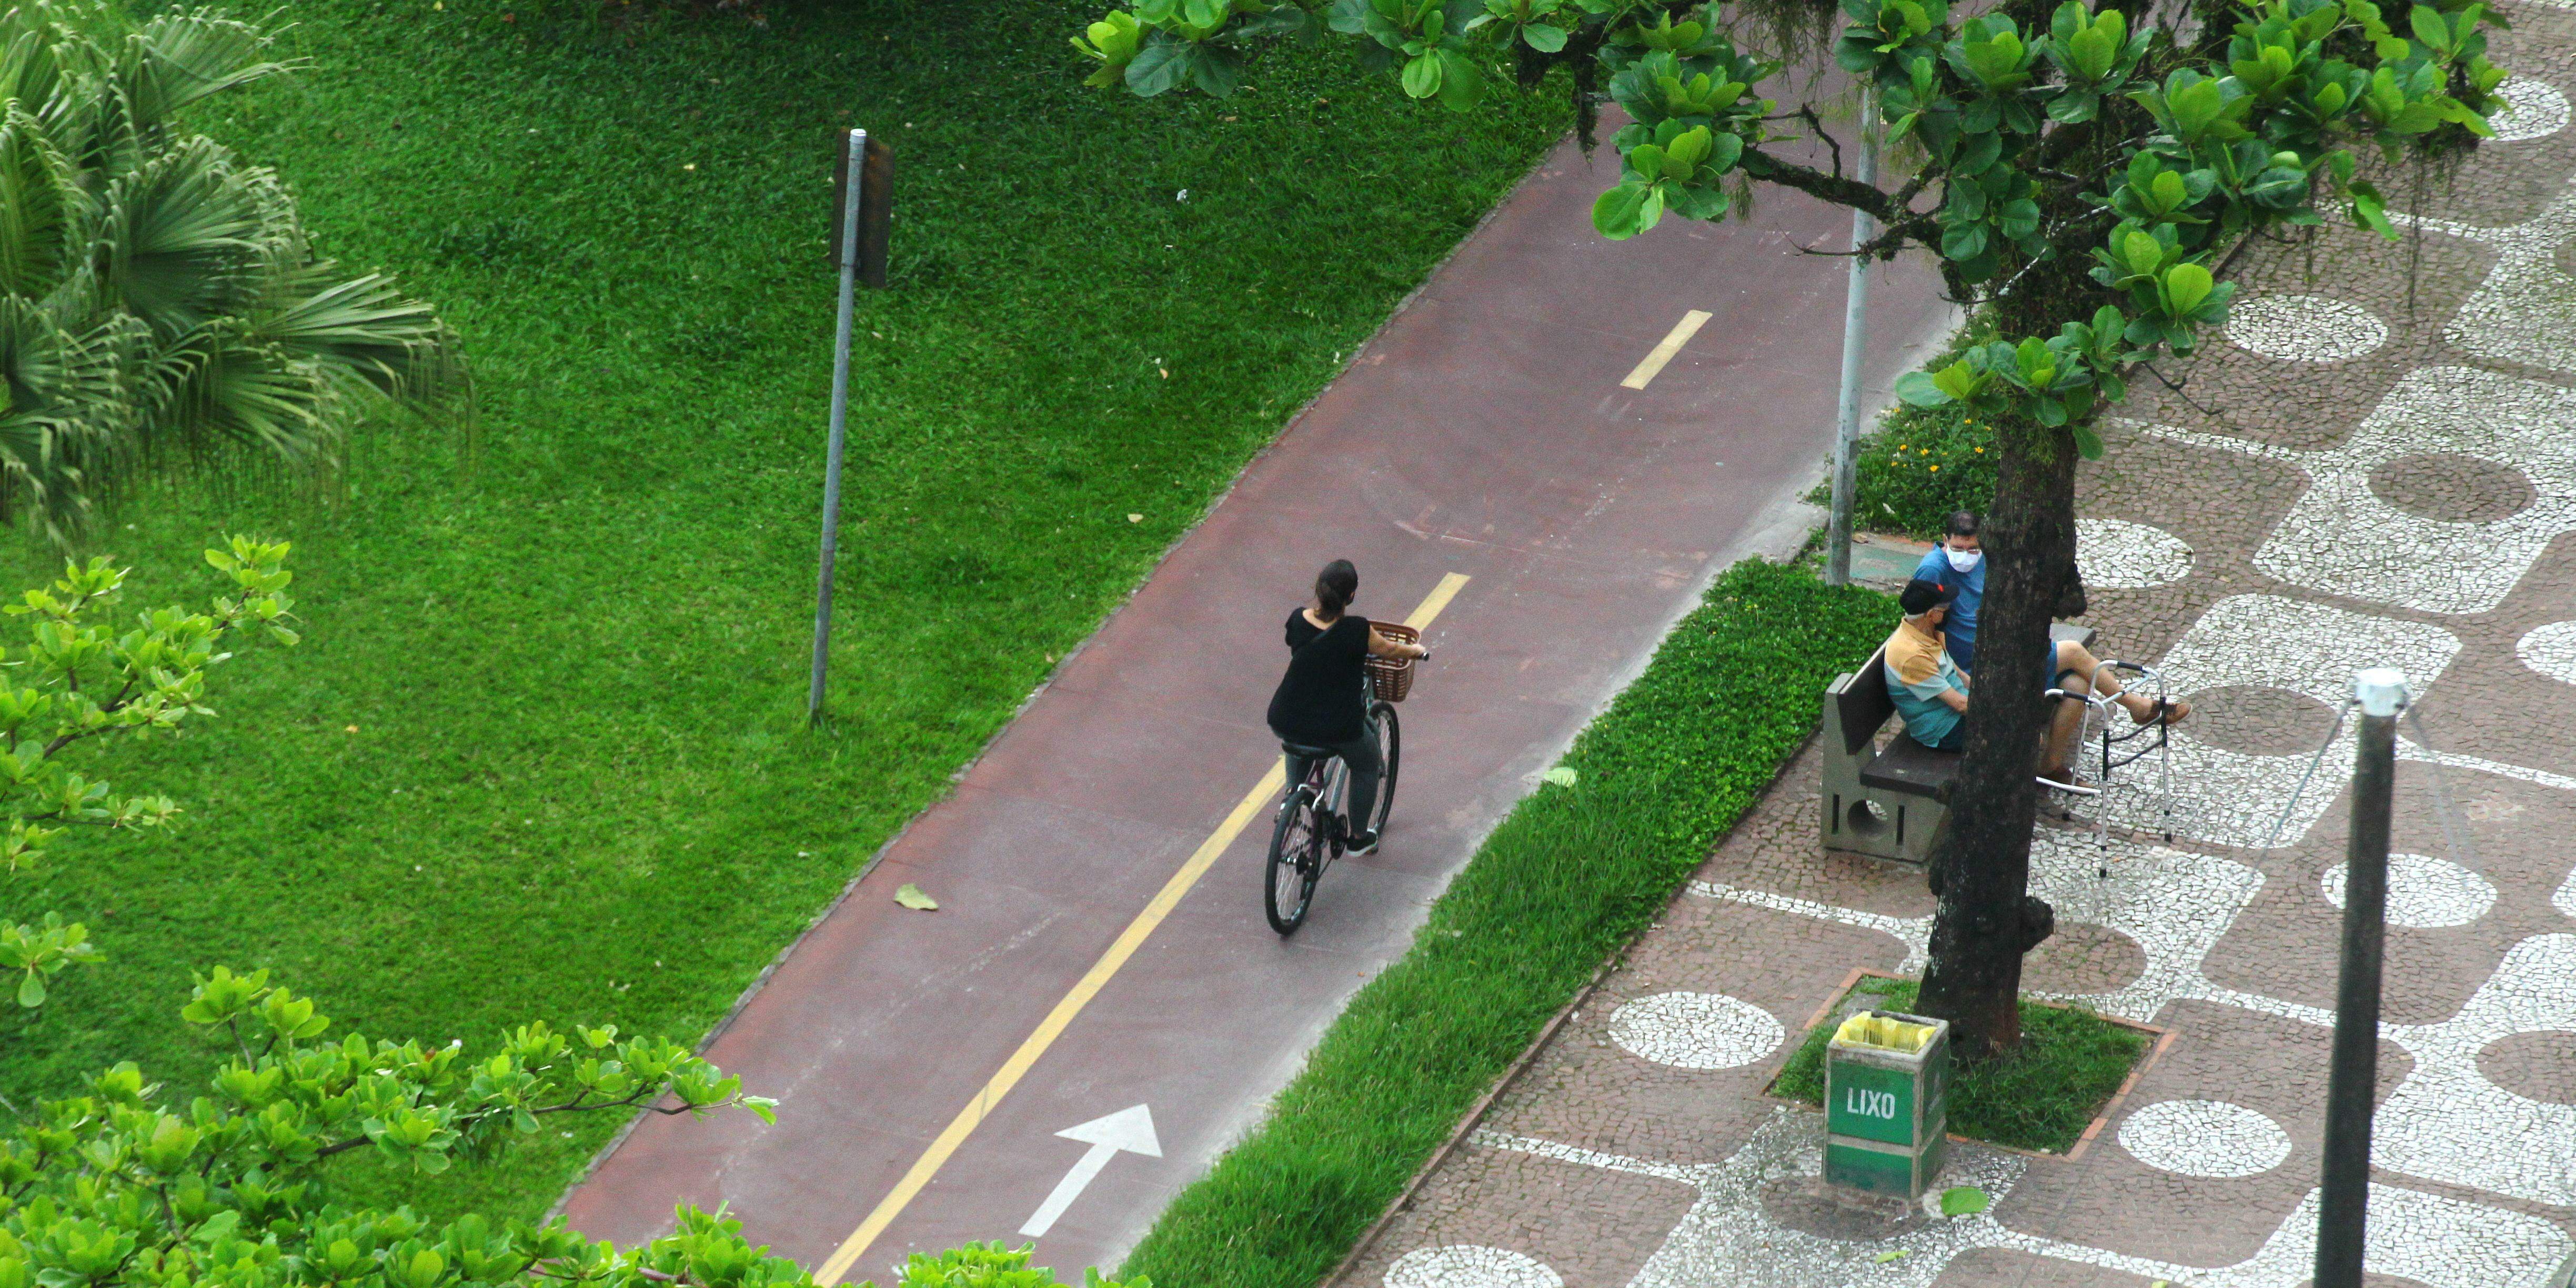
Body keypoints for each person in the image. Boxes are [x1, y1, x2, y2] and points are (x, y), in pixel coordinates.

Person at [1883, 578, 2190, 781]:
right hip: (1946, 729)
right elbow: (1962, 705)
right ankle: (2013, 803)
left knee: (2076, 678)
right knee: (2027, 735)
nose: (1952, 610)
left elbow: (1960, 676)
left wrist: (1999, 685)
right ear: (1933, 614)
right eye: (1946, 608)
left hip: (1966, 700)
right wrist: (2010, 700)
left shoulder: (1931, 631)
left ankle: (2129, 712)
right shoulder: (1911, 654)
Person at [1265, 559, 1428, 854]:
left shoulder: (1298, 620)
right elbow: (1390, 649)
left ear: (1317, 589)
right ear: (1350, 597)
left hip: (1285, 715)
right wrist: (1415, 651)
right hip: (1336, 726)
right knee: (1366, 765)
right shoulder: (1357, 630)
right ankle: (1358, 838)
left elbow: (1297, 642)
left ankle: (1292, 799)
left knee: (1297, 737)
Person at [1913, 511, 1984, 672]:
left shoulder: (1982, 557)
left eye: (1973, 549)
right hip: (1966, 664)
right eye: (1958, 549)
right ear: (1946, 540)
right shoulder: (1932, 570)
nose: (1966, 555)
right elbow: (1919, 628)